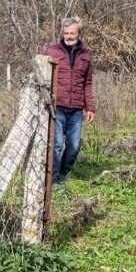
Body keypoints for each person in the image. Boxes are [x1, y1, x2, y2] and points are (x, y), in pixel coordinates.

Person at [44, 16, 96, 187]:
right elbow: (43, 78)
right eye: (66, 33)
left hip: (76, 109)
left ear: (79, 34)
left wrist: (90, 108)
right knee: (57, 144)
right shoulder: (51, 52)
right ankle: (54, 179)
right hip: (57, 106)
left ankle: (65, 172)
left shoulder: (86, 56)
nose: (68, 36)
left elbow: (87, 83)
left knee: (73, 146)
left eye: (72, 33)